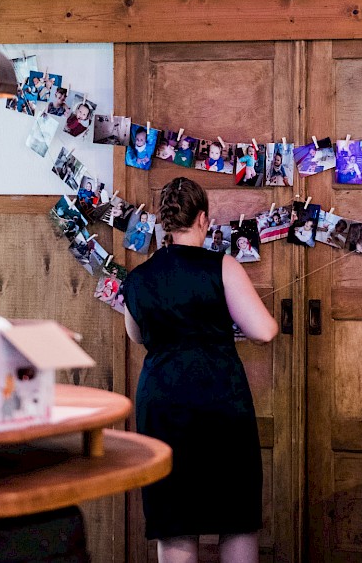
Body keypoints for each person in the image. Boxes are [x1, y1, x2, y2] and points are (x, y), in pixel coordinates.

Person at [122, 177, 277, 563]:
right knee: (235, 516)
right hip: (220, 400)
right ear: (204, 219)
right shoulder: (222, 266)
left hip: (162, 403)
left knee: (174, 519)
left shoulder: (137, 278)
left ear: (164, 224)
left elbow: (137, 335)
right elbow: (265, 331)